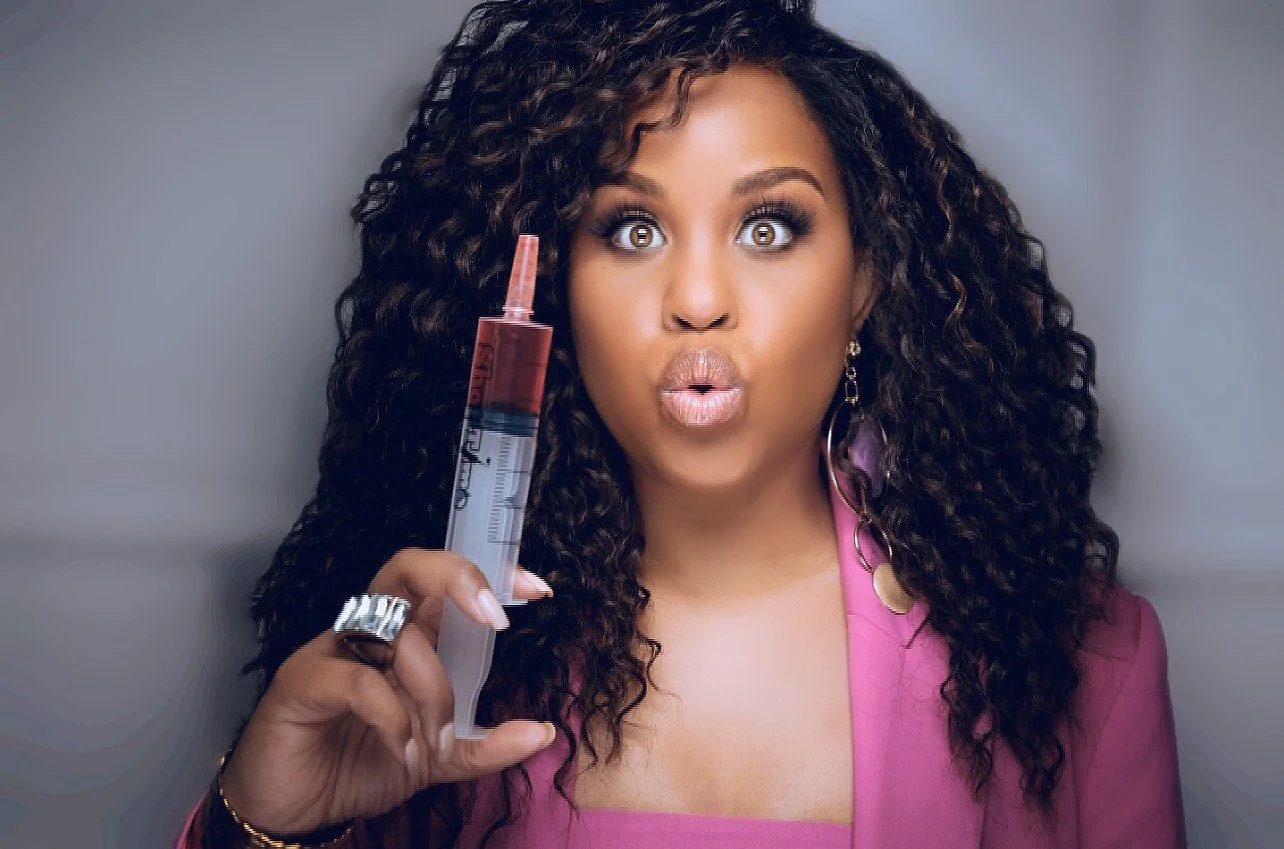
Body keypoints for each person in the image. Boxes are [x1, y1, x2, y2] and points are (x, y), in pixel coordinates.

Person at [177, 1, 1185, 846]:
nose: (698, 299)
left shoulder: (1077, 664)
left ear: (863, 289)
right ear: (558, 293)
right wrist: (263, 824)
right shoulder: (438, 659)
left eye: (768, 227)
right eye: (633, 228)